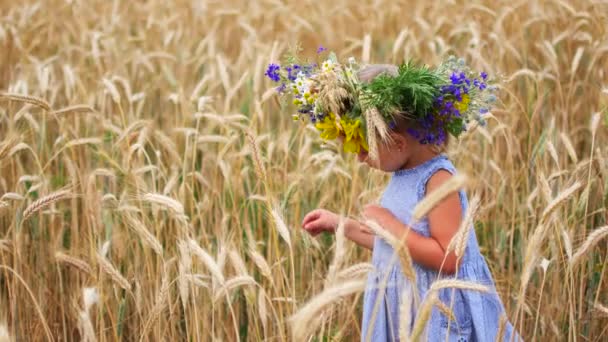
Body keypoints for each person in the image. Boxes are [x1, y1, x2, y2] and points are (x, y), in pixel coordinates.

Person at [299, 64, 520, 341]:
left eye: (363, 148)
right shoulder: (402, 174)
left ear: (398, 142)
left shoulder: (438, 180)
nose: (359, 158)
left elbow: (448, 258)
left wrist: (388, 223)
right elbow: (394, 246)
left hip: (440, 317)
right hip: (408, 308)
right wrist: (342, 225)